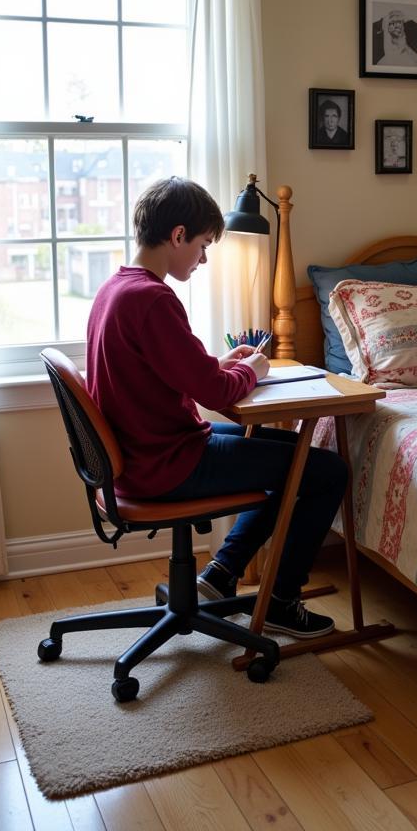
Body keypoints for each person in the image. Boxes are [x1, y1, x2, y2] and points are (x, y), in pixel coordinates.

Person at [86, 176, 346, 638]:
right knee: (326, 471)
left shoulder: (117, 288)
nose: (204, 259)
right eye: (203, 245)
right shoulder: (153, 298)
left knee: (291, 457)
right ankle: (283, 600)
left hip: (145, 454)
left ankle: (222, 573)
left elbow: (169, 371)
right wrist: (255, 371)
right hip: (167, 464)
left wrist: (221, 363)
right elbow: (218, 395)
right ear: (178, 235)